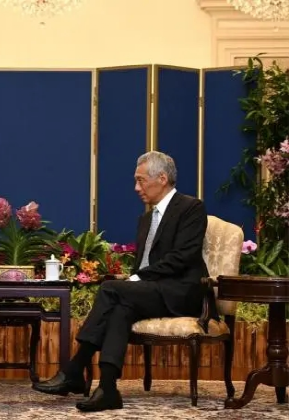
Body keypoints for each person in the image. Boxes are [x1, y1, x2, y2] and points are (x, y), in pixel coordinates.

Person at [32, 151, 209, 412]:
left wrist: (139, 278)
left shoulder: (191, 208)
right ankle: (108, 388)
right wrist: (136, 280)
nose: (136, 188)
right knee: (120, 309)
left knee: (110, 289)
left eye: (141, 180)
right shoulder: (145, 219)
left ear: (162, 178)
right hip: (150, 291)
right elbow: (143, 264)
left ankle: (75, 368)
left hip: (181, 291)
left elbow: (183, 257)